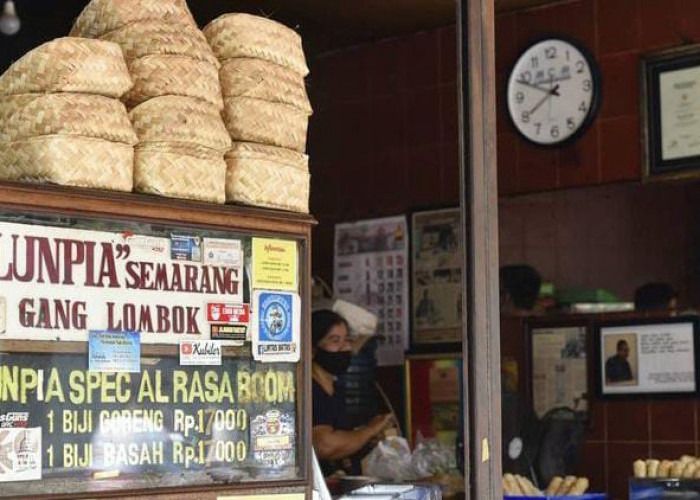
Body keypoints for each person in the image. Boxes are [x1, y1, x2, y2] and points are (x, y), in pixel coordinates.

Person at [311, 309, 393, 476]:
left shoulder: (336, 390)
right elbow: (325, 446)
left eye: (346, 340)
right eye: (335, 340)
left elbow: (343, 438)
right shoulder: (310, 391)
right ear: (313, 347)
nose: (344, 347)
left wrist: (366, 439)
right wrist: (370, 430)